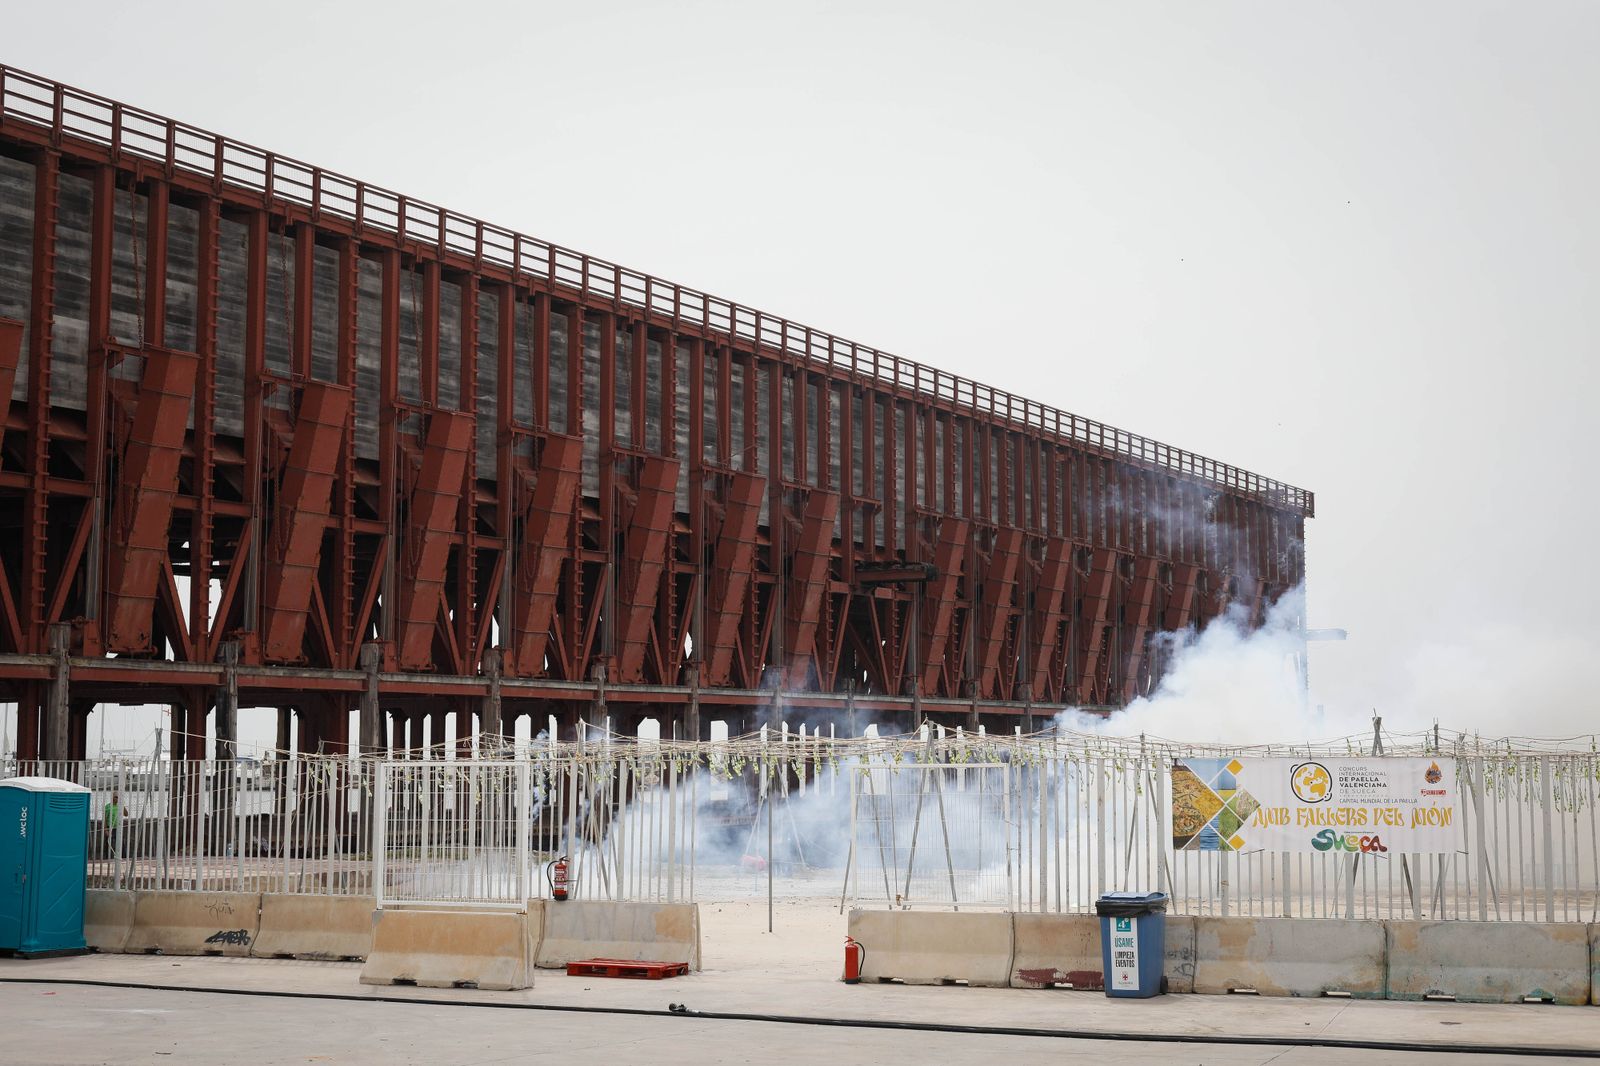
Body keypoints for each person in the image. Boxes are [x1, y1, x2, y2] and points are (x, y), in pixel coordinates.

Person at [103, 791, 126, 859]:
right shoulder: (108, 806)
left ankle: (123, 857)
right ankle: (107, 858)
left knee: (121, 843)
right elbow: (105, 818)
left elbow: (126, 814)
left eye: (119, 798)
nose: (117, 799)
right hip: (110, 827)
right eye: (116, 797)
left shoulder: (120, 806)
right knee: (108, 843)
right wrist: (105, 829)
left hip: (118, 828)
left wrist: (122, 806)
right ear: (112, 798)